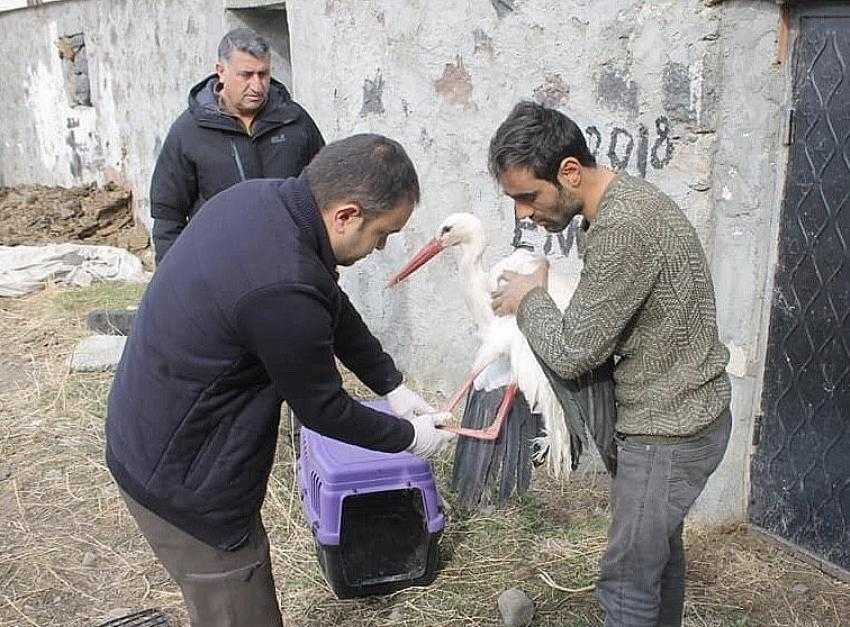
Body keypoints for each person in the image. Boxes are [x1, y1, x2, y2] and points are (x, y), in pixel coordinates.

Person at [106, 134, 454, 626]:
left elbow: (327, 304)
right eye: (383, 234)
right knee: (238, 602)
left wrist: (391, 386)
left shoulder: (264, 202)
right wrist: (410, 439)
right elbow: (324, 410)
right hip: (184, 480)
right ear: (346, 215)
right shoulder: (283, 282)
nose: (381, 248)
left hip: (153, 429)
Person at [488, 101, 732, 627]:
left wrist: (529, 299)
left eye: (527, 196)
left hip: (668, 434)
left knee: (625, 584)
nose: (522, 213)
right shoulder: (626, 206)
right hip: (687, 418)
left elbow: (575, 351)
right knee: (655, 558)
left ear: (569, 171)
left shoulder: (623, 228)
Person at [149, 27, 325, 264]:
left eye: (263, 74)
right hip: (221, 265)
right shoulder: (188, 131)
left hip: (291, 260)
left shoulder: (294, 120)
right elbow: (168, 214)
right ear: (221, 71)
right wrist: (170, 275)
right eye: (246, 74)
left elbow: (325, 189)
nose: (257, 85)